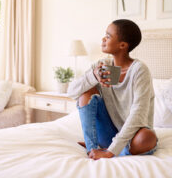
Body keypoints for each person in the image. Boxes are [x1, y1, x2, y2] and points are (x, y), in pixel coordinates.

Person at [67, 19, 157, 160]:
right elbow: (71, 92)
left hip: (133, 136)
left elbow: (138, 115)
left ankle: (110, 150)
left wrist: (111, 151)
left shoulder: (139, 70)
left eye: (108, 36)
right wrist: (93, 77)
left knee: (148, 137)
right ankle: (93, 149)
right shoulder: (101, 66)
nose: (103, 39)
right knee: (86, 93)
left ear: (122, 45)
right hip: (108, 132)